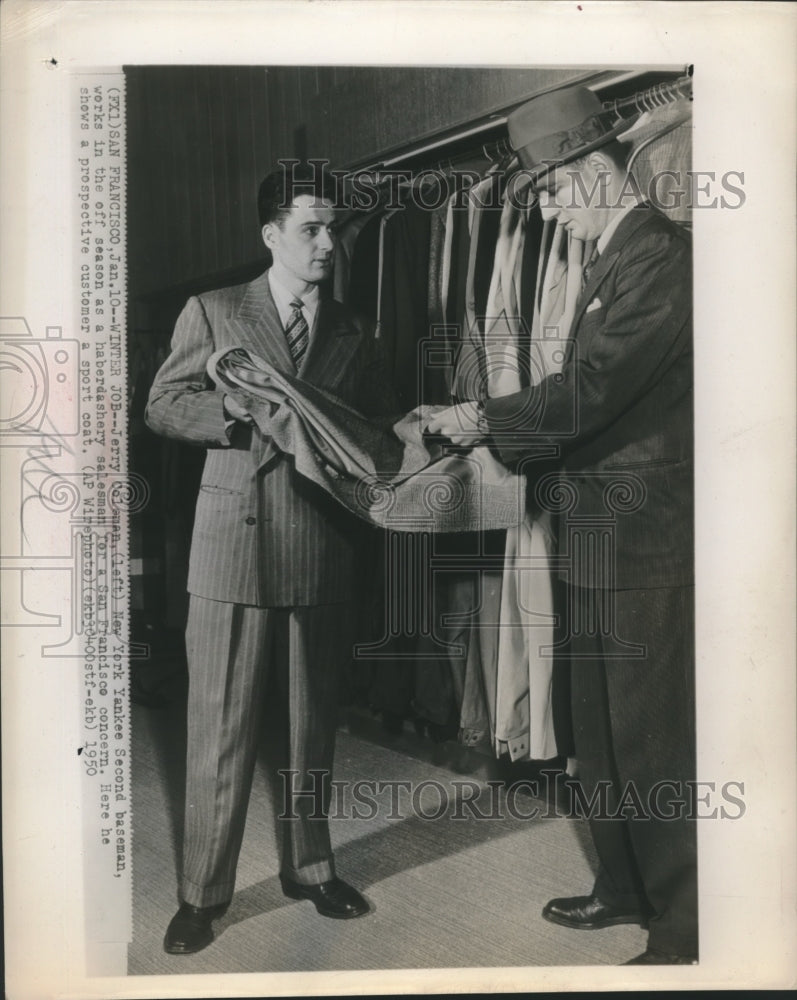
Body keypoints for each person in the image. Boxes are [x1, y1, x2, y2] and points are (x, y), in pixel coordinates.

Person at [427, 85, 696, 965]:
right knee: (599, 731)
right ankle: (622, 887)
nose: (543, 209)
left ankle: (685, 926)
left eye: (546, 189)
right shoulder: (616, 259)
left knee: (652, 740)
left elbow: (591, 392)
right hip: (597, 535)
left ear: (588, 170)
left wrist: (480, 419)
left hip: (643, 543)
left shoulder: (659, 254)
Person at [146, 163, 397, 955]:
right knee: (218, 726)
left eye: (331, 230)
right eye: (309, 230)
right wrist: (231, 407)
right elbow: (160, 405)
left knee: (309, 721)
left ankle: (311, 867)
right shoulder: (215, 311)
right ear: (270, 235)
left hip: (320, 541)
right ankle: (202, 894)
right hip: (231, 545)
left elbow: (365, 434)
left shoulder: (357, 330)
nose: (326, 245)